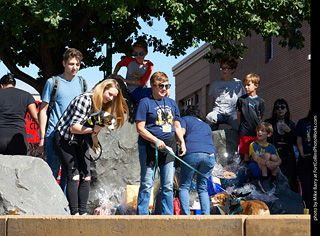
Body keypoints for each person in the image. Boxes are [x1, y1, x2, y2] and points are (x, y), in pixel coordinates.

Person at [54, 78, 129, 215]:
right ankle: (74, 213)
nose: (111, 99)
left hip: (80, 140)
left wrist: (94, 139)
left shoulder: (100, 105)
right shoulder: (85, 99)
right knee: (74, 175)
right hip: (65, 138)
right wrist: (94, 130)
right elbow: (74, 127)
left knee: (86, 176)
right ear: (103, 89)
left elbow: (92, 130)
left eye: (114, 97)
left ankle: (83, 213)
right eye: (110, 94)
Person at [135, 71, 186, 215]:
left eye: (166, 85)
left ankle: (167, 216)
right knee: (146, 184)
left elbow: (176, 125)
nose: (164, 88)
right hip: (149, 146)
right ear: (152, 86)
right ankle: (142, 216)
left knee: (168, 185)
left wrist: (181, 142)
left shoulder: (171, 102)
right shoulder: (145, 102)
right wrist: (155, 140)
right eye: (160, 85)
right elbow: (140, 128)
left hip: (169, 146)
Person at [39, 48, 87, 191]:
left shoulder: (82, 83)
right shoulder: (52, 82)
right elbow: (43, 110)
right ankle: (49, 209)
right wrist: (42, 137)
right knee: (51, 175)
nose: (75, 68)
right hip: (54, 134)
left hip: (73, 136)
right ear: (64, 63)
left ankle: (65, 210)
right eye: (71, 64)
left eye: (77, 64)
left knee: (69, 176)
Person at [179, 105, 216, 215]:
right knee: (203, 188)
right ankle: (206, 215)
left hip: (192, 153)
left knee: (184, 187)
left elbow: (181, 132)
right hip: (210, 156)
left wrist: (180, 143)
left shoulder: (184, 119)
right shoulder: (206, 125)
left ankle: (185, 215)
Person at [0, 73, 39, 155]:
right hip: (18, 138)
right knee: (18, 167)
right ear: (14, 85)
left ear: (1, 86)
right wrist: (44, 131)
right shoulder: (26, 95)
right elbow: (35, 117)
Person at [265, 99, 297, 192]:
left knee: (288, 182)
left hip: (288, 157)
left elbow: (296, 142)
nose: (280, 109)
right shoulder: (269, 123)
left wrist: (289, 131)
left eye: (282, 107)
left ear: (286, 109)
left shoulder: (291, 124)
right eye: (277, 107)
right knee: (273, 182)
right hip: (273, 155)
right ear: (274, 110)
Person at [206, 55, 245, 131]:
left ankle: (235, 137)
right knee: (209, 117)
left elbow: (242, 100)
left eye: (227, 68)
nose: (224, 70)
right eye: (222, 68)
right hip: (218, 111)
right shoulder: (216, 84)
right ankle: (213, 136)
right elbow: (214, 100)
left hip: (232, 113)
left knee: (241, 126)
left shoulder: (237, 83)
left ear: (233, 70)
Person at [236, 73, 265, 165]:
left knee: (257, 153)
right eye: (245, 85)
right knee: (246, 154)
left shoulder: (261, 101)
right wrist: (241, 126)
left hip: (256, 131)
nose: (246, 87)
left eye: (248, 85)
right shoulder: (241, 100)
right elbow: (238, 115)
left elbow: (260, 117)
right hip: (245, 131)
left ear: (256, 86)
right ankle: (246, 171)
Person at [249, 122, 281, 193]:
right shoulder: (253, 144)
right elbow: (255, 158)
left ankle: (273, 178)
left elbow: (279, 160)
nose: (259, 132)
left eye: (262, 131)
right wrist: (266, 162)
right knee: (266, 155)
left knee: (274, 157)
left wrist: (275, 164)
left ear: (269, 134)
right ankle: (264, 180)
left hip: (269, 168)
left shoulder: (271, 147)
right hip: (256, 168)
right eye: (258, 131)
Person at [294, 110, 312, 209]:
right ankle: (307, 212)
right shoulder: (302, 122)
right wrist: (302, 155)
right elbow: (299, 140)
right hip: (306, 158)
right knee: (306, 189)